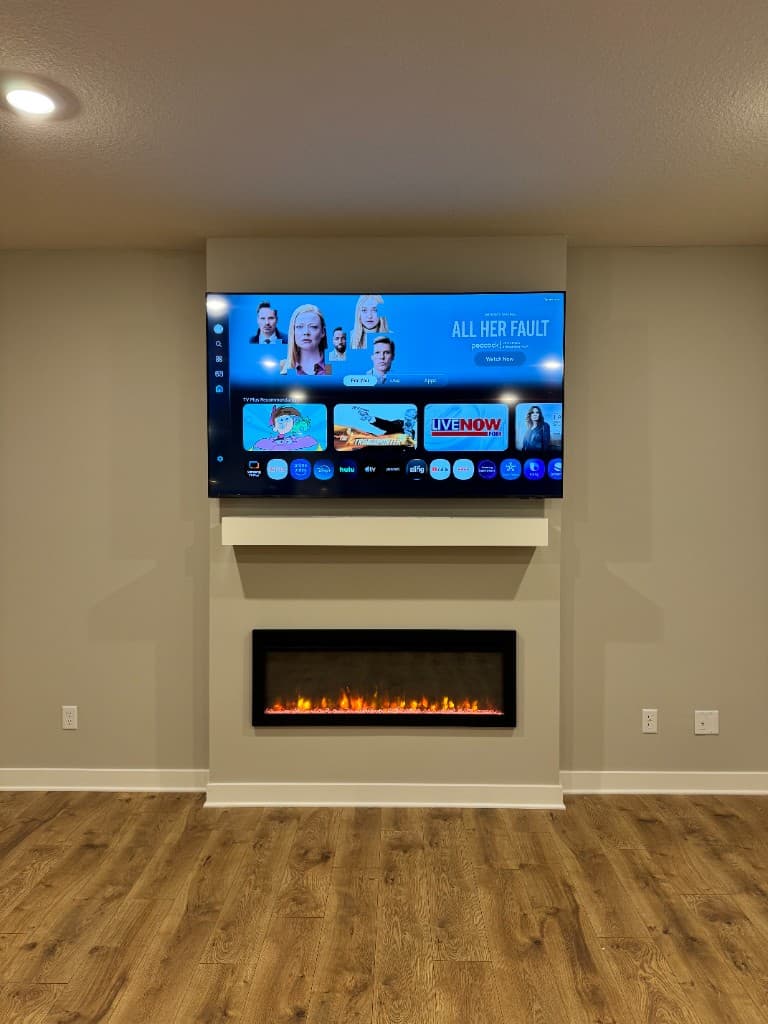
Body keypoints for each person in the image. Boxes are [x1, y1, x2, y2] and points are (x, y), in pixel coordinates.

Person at [280, 304, 332, 375]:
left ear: (323, 332)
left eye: (313, 327)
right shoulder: (282, 369)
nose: (306, 332)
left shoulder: (333, 368)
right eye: (300, 327)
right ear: (293, 331)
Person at [251, 405, 319, 450]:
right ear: (275, 428)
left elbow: (311, 442)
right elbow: (258, 446)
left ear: (293, 422)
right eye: (281, 420)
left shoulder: (297, 439)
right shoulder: (266, 442)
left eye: (287, 419)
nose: (284, 422)